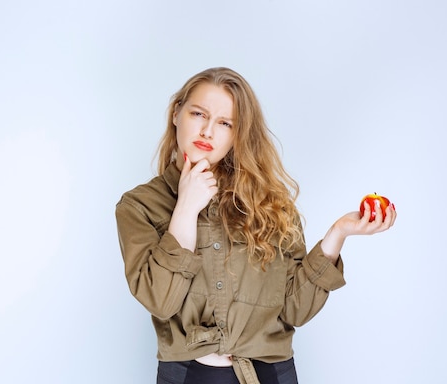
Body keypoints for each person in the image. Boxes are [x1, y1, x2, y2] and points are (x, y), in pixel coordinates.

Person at [115, 67, 396, 384]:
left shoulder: (270, 203)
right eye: (198, 114)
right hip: (188, 376)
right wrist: (186, 208)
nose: (208, 131)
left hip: (271, 374)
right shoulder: (139, 206)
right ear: (177, 113)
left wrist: (339, 233)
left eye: (225, 123)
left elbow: (295, 310)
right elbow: (161, 301)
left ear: (238, 134)